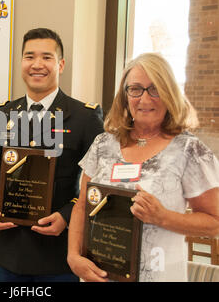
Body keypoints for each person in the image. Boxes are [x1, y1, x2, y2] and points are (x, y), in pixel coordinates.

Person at [67, 52, 219, 282]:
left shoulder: (190, 150)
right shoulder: (102, 145)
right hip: (100, 276)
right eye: (136, 89)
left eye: (155, 89)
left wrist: (162, 217)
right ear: (125, 96)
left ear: (169, 93)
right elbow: (82, 206)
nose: (145, 100)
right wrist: (73, 256)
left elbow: (214, 222)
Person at [0, 28, 104, 281]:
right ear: (21, 62)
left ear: (61, 64)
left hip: (57, 256)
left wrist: (67, 217)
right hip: (8, 253)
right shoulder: (4, 113)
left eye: (46, 57)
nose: (37, 65)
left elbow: (98, 184)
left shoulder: (85, 117)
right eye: (29, 56)